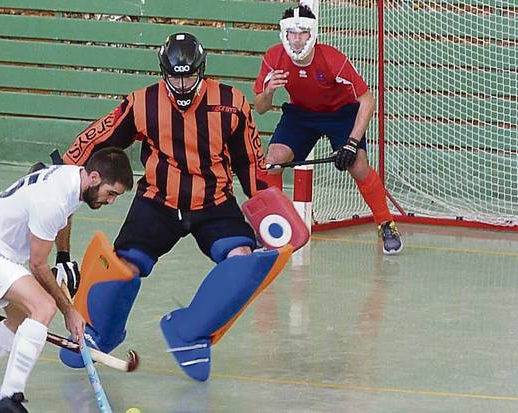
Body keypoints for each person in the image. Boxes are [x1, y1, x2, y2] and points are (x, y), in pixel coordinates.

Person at [57, 32, 292, 382]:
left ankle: (189, 332)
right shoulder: (142, 103)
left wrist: (269, 209)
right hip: (158, 201)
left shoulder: (232, 104)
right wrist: (64, 166)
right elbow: (100, 136)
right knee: (124, 266)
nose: (182, 85)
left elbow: (250, 162)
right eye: (174, 77)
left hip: (214, 201)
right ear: (163, 72)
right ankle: (97, 333)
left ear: (202, 70)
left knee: (243, 257)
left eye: (189, 76)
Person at [0, 147, 133, 413]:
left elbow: (64, 216)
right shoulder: (53, 199)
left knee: (18, 320)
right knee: (44, 307)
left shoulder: (72, 179)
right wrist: (69, 310)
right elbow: (38, 264)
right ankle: (9, 399)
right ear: (95, 177)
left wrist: (63, 257)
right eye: (111, 193)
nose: (111, 201)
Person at [253, 4, 403, 255]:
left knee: (359, 165)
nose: (297, 39)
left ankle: (386, 223)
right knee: (273, 161)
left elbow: (367, 100)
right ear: (284, 34)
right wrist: (268, 91)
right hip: (301, 114)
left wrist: (352, 143)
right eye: (292, 33)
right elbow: (260, 108)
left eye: (302, 33)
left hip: (340, 113)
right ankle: (271, 227)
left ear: (312, 34)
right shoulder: (273, 57)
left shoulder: (333, 59)